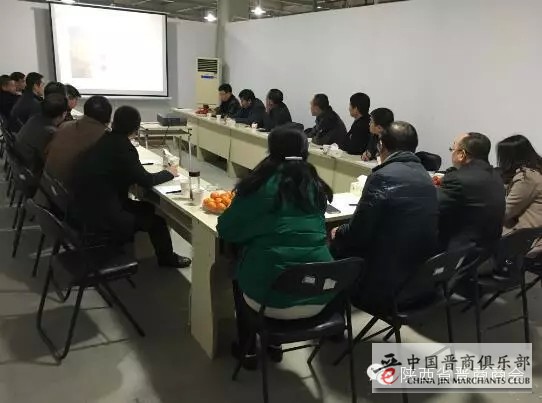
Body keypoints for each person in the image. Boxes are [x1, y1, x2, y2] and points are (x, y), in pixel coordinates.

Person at [217, 126, 334, 367]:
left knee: (238, 267)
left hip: (271, 300)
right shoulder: (316, 186)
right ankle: (274, 345)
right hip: (318, 294)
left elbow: (226, 229)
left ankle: (248, 349)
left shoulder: (258, 186)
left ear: (270, 151)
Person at [331, 121, 438, 311]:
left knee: (335, 242)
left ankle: (330, 313)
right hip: (418, 279)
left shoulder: (382, 176)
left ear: (381, 145)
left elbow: (358, 232)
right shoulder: (425, 175)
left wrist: (339, 231)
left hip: (384, 282)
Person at [71, 106, 191, 269]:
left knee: (148, 207)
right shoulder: (124, 147)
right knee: (157, 222)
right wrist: (169, 173)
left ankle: (125, 245)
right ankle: (167, 259)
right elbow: (146, 180)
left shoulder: (106, 139)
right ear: (136, 127)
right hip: (104, 213)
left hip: (87, 206)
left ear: (114, 122)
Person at [438, 132, 505, 252]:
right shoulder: (495, 176)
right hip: (489, 250)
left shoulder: (457, 179)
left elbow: (433, 210)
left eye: (452, 149)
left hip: (460, 253)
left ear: (461, 155)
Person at [45, 95, 112, 185]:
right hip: (69, 190)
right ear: (108, 118)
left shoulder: (64, 125)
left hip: (46, 185)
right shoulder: (104, 138)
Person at [497, 134, 542, 255]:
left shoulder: (527, 178)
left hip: (524, 238)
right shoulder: (536, 172)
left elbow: (505, 212)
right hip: (533, 233)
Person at [15, 93, 67, 175]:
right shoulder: (50, 132)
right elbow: (52, 162)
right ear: (64, 114)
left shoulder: (33, 118)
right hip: (33, 171)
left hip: (20, 163)